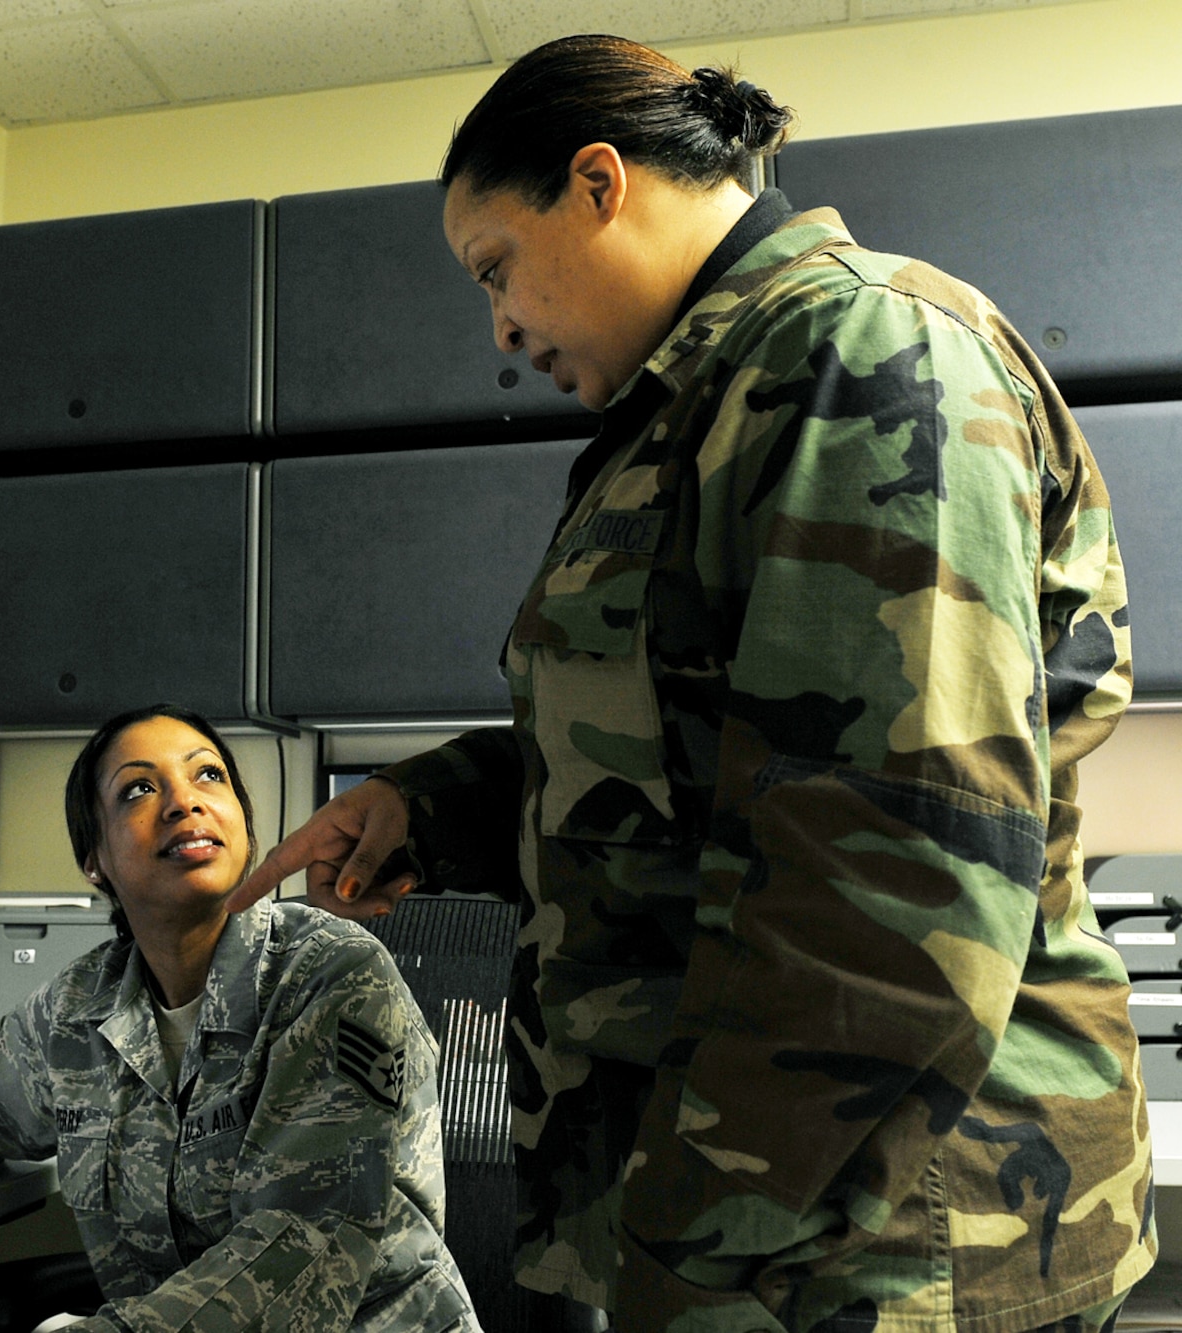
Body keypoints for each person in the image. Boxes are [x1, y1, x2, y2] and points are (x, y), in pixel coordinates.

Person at [230, 34, 1153, 1333]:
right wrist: (425, 808)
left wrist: (690, 1270)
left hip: (861, 1262)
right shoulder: (697, 411)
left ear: (599, 182)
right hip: (737, 1242)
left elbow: (890, 885)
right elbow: (685, 759)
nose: (497, 326)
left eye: (495, 267)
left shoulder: (853, 358)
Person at [0, 703, 481, 1333]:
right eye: (137, 790)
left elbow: (302, 1250)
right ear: (95, 860)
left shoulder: (330, 974)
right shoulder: (78, 1011)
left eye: (208, 775)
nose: (185, 801)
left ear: (244, 825)